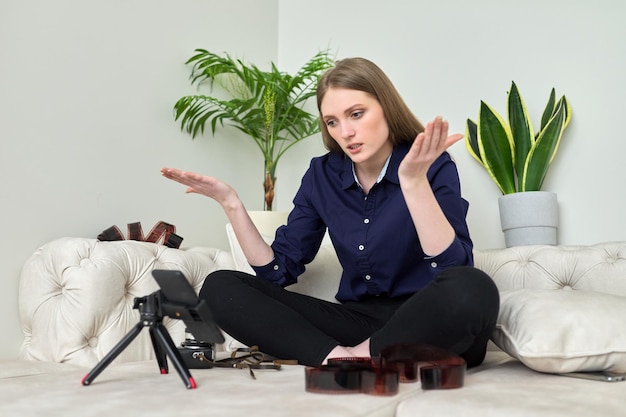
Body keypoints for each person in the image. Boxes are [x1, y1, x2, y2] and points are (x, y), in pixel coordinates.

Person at [161, 57, 499, 368]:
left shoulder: (431, 164)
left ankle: (359, 357)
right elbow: (277, 272)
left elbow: (453, 267)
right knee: (219, 287)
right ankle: (342, 359)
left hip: (430, 324)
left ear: (386, 107)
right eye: (332, 122)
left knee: (473, 288)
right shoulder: (322, 175)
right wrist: (231, 203)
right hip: (358, 323)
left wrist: (412, 183)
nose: (345, 133)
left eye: (356, 114)